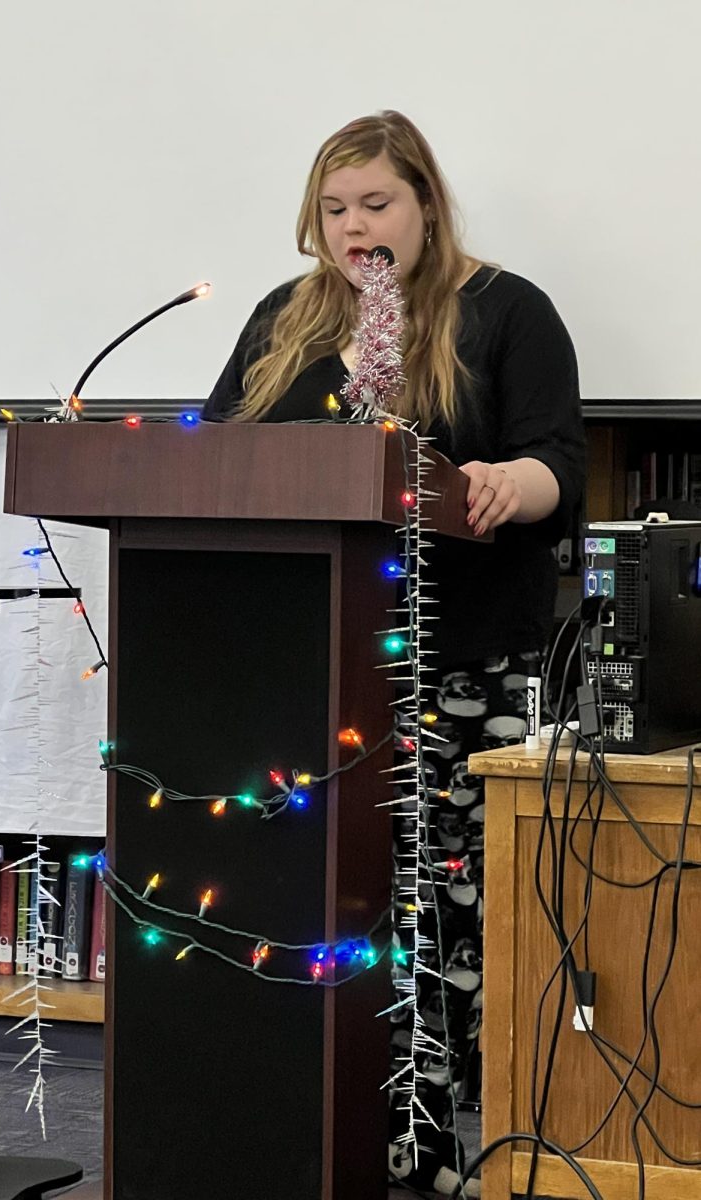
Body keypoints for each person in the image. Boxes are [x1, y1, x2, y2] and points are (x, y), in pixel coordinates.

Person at [203, 110, 585, 1196]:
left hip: (461, 674)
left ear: (426, 203)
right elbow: (221, 453)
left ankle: (445, 1154)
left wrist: (516, 481)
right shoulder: (287, 317)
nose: (355, 227)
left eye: (376, 204)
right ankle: (311, 1135)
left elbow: (557, 458)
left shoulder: (508, 312)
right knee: (316, 912)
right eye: (334, 209)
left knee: (446, 929)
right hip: (310, 680)